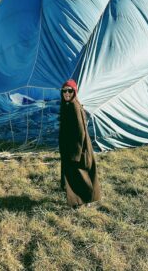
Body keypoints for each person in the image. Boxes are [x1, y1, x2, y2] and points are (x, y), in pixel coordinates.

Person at [59, 79, 101, 208]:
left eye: (70, 91)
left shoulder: (74, 107)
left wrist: (75, 153)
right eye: (64, 91)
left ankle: (83, 199)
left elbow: (80, 132)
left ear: (74, 92)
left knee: (79, 174)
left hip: (77, 148)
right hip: (70, 147)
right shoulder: (67, 105)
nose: (67, 93)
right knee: (75, 174)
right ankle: (81, 199)